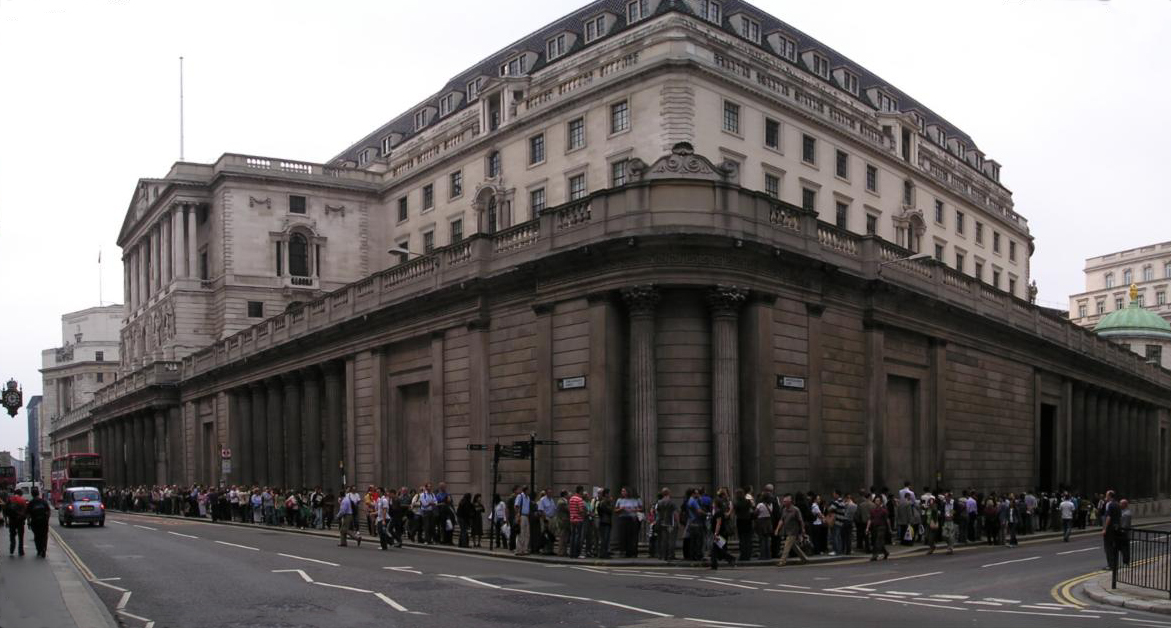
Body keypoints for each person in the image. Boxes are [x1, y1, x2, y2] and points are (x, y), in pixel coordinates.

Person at [776, 495, 809, 566]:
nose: (783, 503)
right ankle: (804, 559)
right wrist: (777, 529)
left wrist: (803, 529)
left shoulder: (796, 510)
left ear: (790, 502)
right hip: (787, 531)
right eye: (783, 501)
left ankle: (782, 561)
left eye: (785, 501)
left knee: (787, 546)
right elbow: (781, 520)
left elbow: (800, 520)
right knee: (794, 546)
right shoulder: (784, 510)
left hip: (794, 531)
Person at [709, 489, 736, 570]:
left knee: (715, 549)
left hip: (719, 533)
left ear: (716, 504)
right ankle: (717, 563)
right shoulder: (720, 512)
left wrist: (716, 534)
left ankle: (729, 559)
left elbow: (718, 523)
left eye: (714, 503)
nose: (713, 504)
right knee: (716, 549)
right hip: (720, 533)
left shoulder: (718, 513)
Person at [614, 487, 642, 558]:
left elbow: (641, 509)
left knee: (631, 536)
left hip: (632, 518)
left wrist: (634, 509)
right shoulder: (619, 500)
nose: (623, 492)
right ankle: (623, 551)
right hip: (623, 518)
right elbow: (615, 510)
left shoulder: (634, 500)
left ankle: (631, 552)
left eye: (624, 491)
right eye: (622, 491)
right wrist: (621, 509)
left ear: (628, 492)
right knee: (623, 535)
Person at [26, 487, 52, 558]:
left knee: (37, 536)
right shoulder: (43, 501)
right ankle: (44, 549)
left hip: (35, 522)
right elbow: (48, 511)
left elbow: (28, 514)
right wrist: (47, 519)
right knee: (44, 536)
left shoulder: (31, 503)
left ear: (32, 494)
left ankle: (39, 550)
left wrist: (28, 522)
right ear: (38, 494)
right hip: (44, 521)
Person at [654, 488, 678, 561]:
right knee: (671, 540)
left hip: (662, 523)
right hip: (671, 523)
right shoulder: (671, 502)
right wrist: (677, 522)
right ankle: (670, 555)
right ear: (669, 493)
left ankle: (663, 555)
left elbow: (657, 513)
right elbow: (675, 513)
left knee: (664, 540)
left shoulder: (659, 502)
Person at [1101, 491, 1121, 570]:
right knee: (1114, 547)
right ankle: (1115, 564)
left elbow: (1108, 517)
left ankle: (1111, 565)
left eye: (1106, 495)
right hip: (1116, 528)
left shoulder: (1110, 504)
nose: (1105, 497)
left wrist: (1105, 529)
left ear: (1109, 496)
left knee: (1108, 547)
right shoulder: (1117, 504)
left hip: (1110, 529)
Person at [867, 494, 890, 561]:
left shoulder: (884, 511)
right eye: (876, 501)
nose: (877, 502)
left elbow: (887, 520)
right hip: (874, 527)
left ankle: (875, 555)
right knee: (878, 542)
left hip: (882, 527)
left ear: (880, 502)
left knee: (878, 541)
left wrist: (889, 528)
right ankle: (885, 552)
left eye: (878, 501)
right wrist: (867, 528)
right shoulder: (872, 511)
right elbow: (870, 519)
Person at [5, 488, 27, 556]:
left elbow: (6, 511)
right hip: (20, 520)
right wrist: (24, 518)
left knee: (12, 535)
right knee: (21, 536)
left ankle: (12, 547)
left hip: (12, 520)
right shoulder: (22, 500)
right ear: (21, 494)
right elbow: (25, 511)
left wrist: (6, 521)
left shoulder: (10, 499)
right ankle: (21, 551)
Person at [513, 485, 532, 556]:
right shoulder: (520, 496)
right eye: (528, 490)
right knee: (521, 533)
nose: (529, 491)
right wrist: (518, 515)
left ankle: (525, 549)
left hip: (526, 516)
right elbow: (516, 506)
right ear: (525, 490)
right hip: (521, 516)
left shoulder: (528, 497)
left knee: (527, 533)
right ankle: (519, 550)